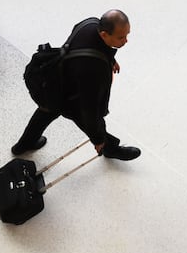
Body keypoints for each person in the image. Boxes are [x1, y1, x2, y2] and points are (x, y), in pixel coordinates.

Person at [11, 10, 142, 161]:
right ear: (104, 34)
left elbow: (91, 46)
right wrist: (98, 139)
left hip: (53, 78)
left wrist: (110, 59)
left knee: (46, 112)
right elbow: (90, 111)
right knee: (90, 121)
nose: (126, 41)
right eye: (121, 37)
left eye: (127, 35)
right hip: (68, 95)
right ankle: (109, 148)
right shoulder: (93, 70)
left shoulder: (90, 24)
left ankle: (23, 145)